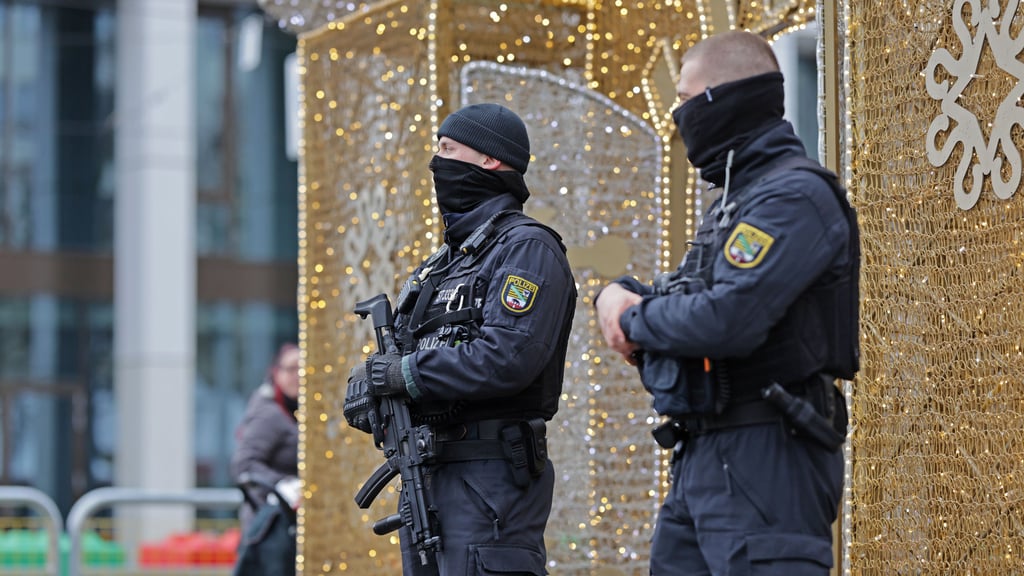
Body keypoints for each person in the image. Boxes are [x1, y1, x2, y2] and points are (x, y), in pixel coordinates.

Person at [594, 31, 860, 575]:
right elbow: (688, 301)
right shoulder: (736, 203)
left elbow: (725, 320)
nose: (678, 116)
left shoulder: (793, 197)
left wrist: (631, 318)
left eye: (687, 100)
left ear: (726, 98)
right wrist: (616, 295)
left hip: (767, 452)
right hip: (704, 452)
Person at [344, 103, 577, 575]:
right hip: (430, 474)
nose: (437, 162)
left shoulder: (526, 248)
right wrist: (372, 389)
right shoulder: (442, 265)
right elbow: (404, 353)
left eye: (448, 149)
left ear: (490, 159)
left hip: (489, 479)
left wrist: (405, 374)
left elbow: (507, 356)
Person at [231, 342, 301, 534]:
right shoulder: (269, 414)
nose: (299, 375)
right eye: (291, 368)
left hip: (284, 522)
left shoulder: (294, 410)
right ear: (276, 372)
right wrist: (287, 485)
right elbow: (244, 465)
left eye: (303, 369)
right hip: (270, 525)